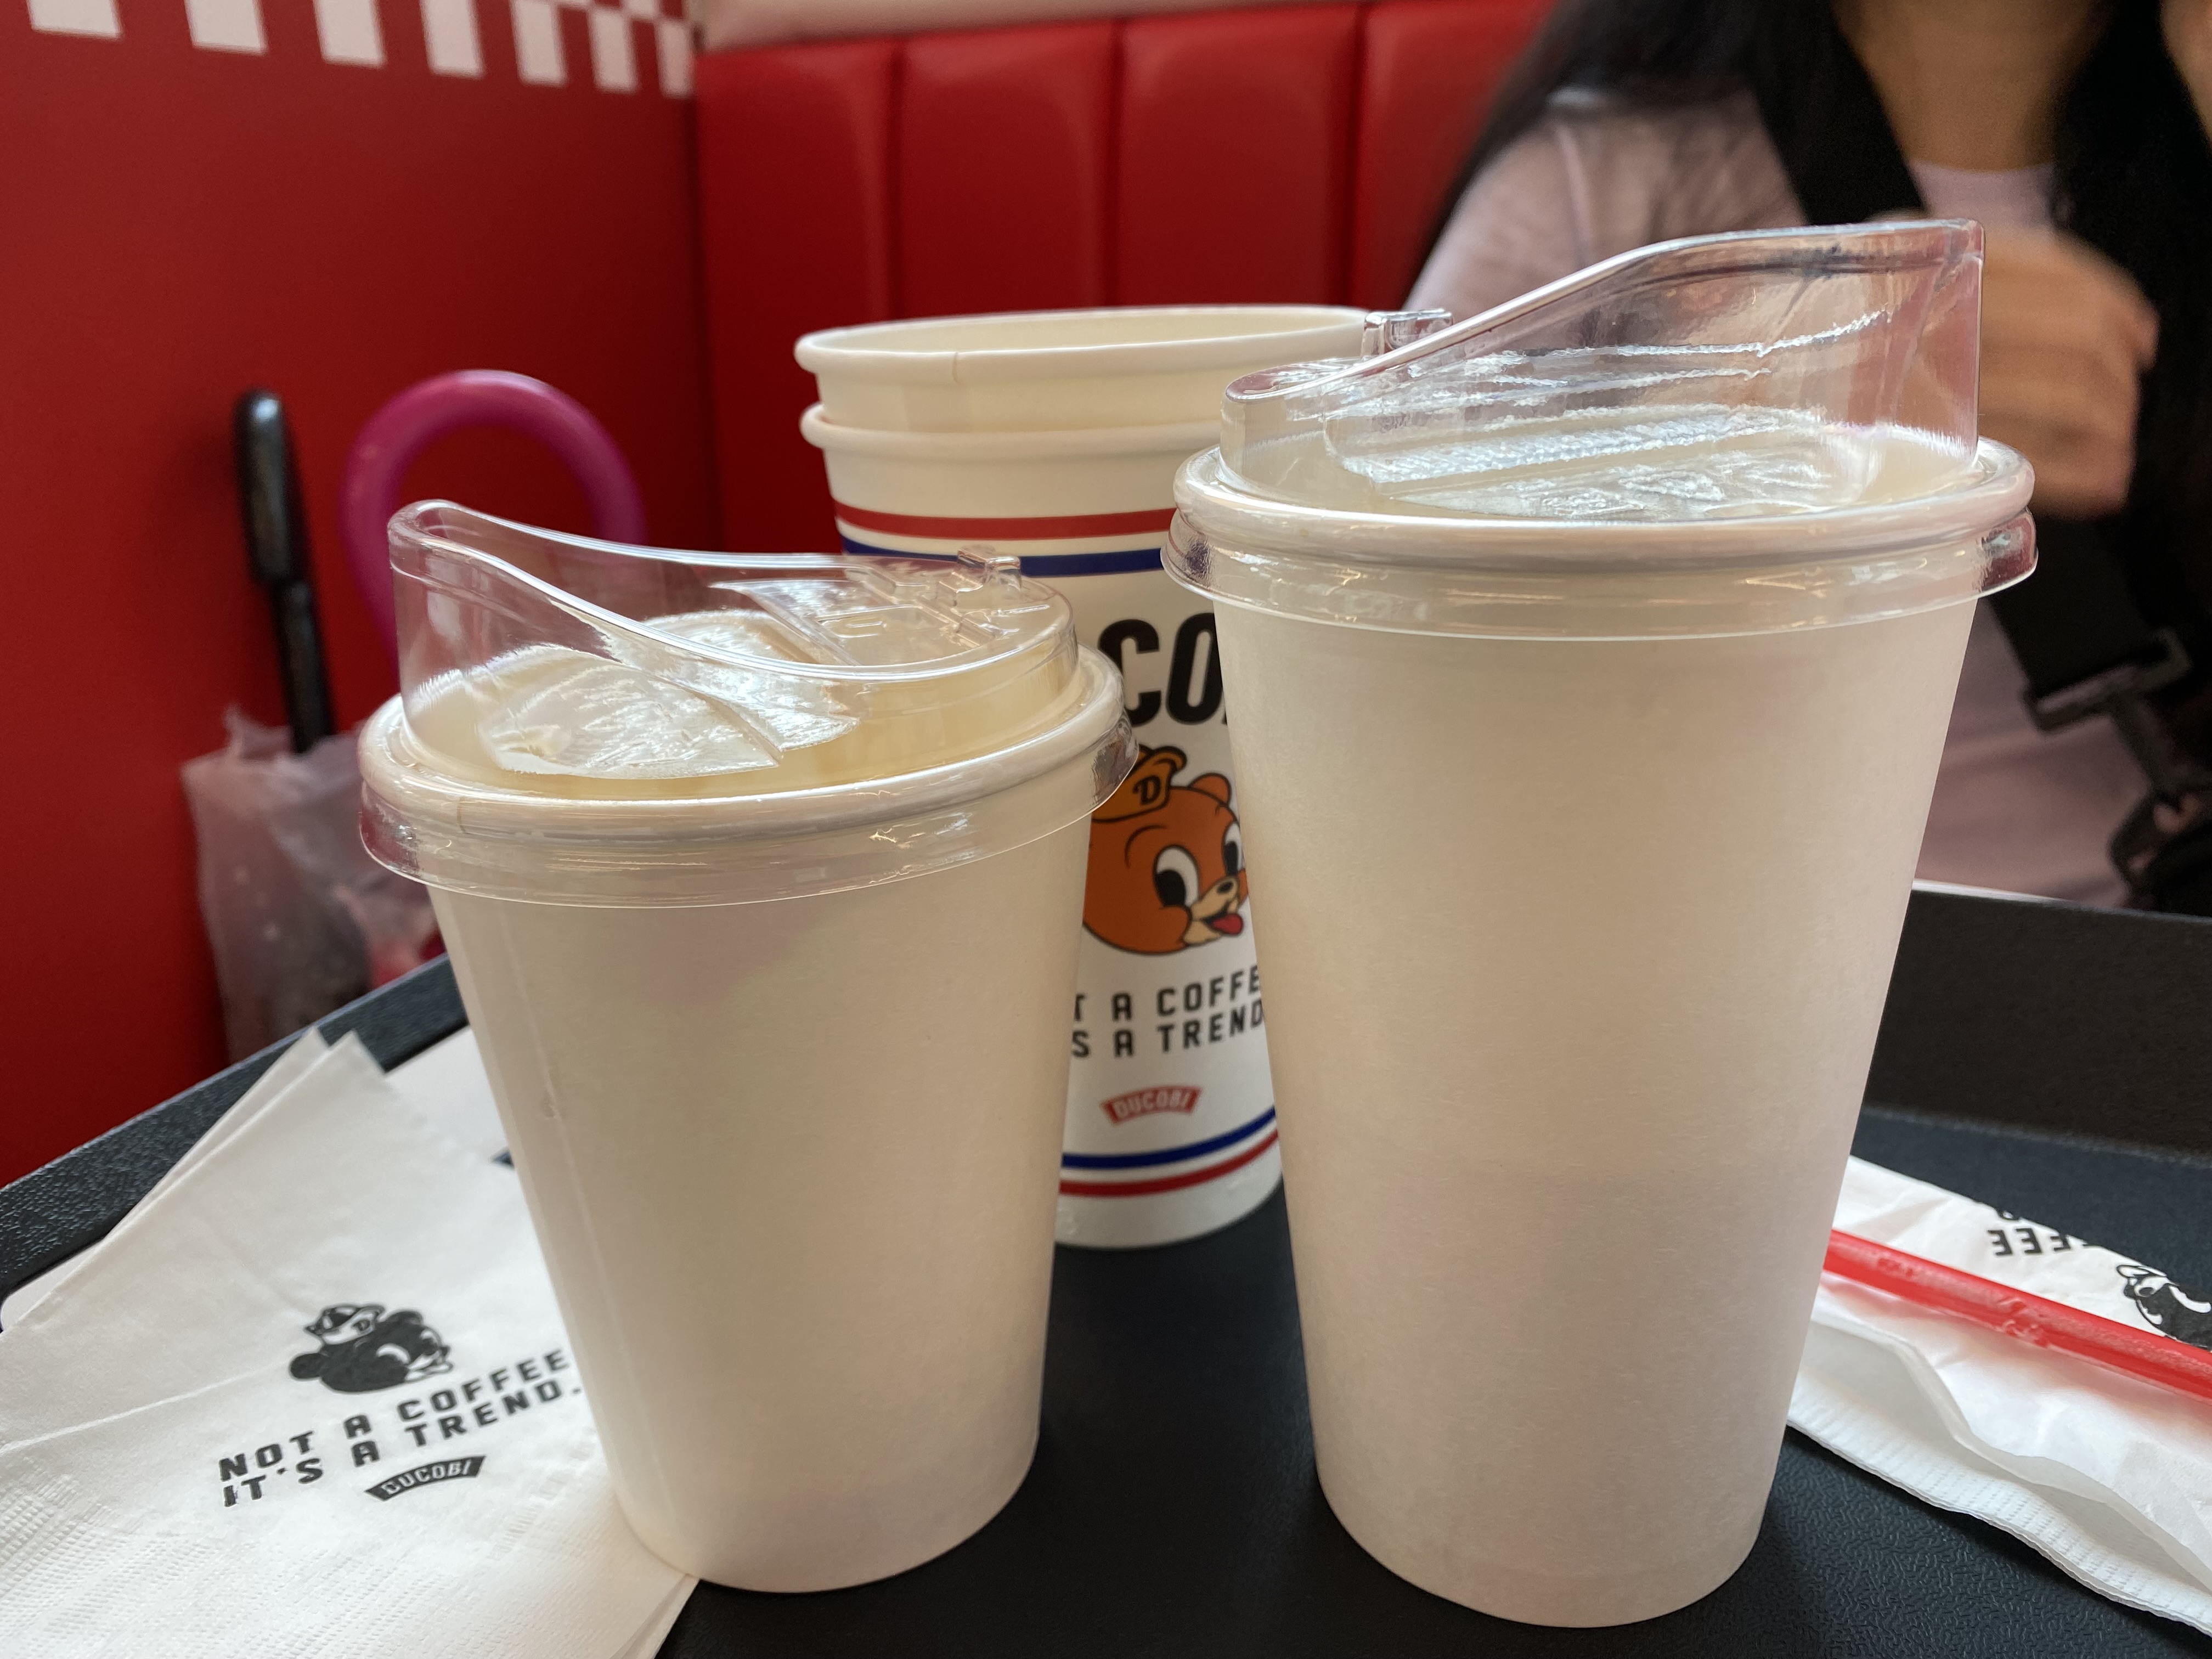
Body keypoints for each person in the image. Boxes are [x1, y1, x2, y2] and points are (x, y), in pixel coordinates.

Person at [1412, 0, 2212, 907]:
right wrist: (1762, 396)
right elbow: (1370, 601)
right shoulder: (1602, 178)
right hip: (1703, 934)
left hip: (2157, 929)